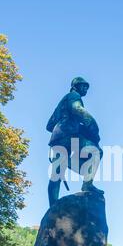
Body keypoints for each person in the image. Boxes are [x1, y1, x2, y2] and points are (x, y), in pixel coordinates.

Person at [47, 77, 104, 206]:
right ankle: (87, 184)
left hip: (58, 137)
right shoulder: (73, 95)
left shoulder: (62, 102)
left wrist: (62, 124)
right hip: (70, 134)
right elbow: (78, 110)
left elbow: (49, 125)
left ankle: (52, 207)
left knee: (56, 175)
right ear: (75, 86)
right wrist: (93, 127)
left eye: (87, 87)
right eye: (83, 86)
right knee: (96, 152)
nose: (86, 90)